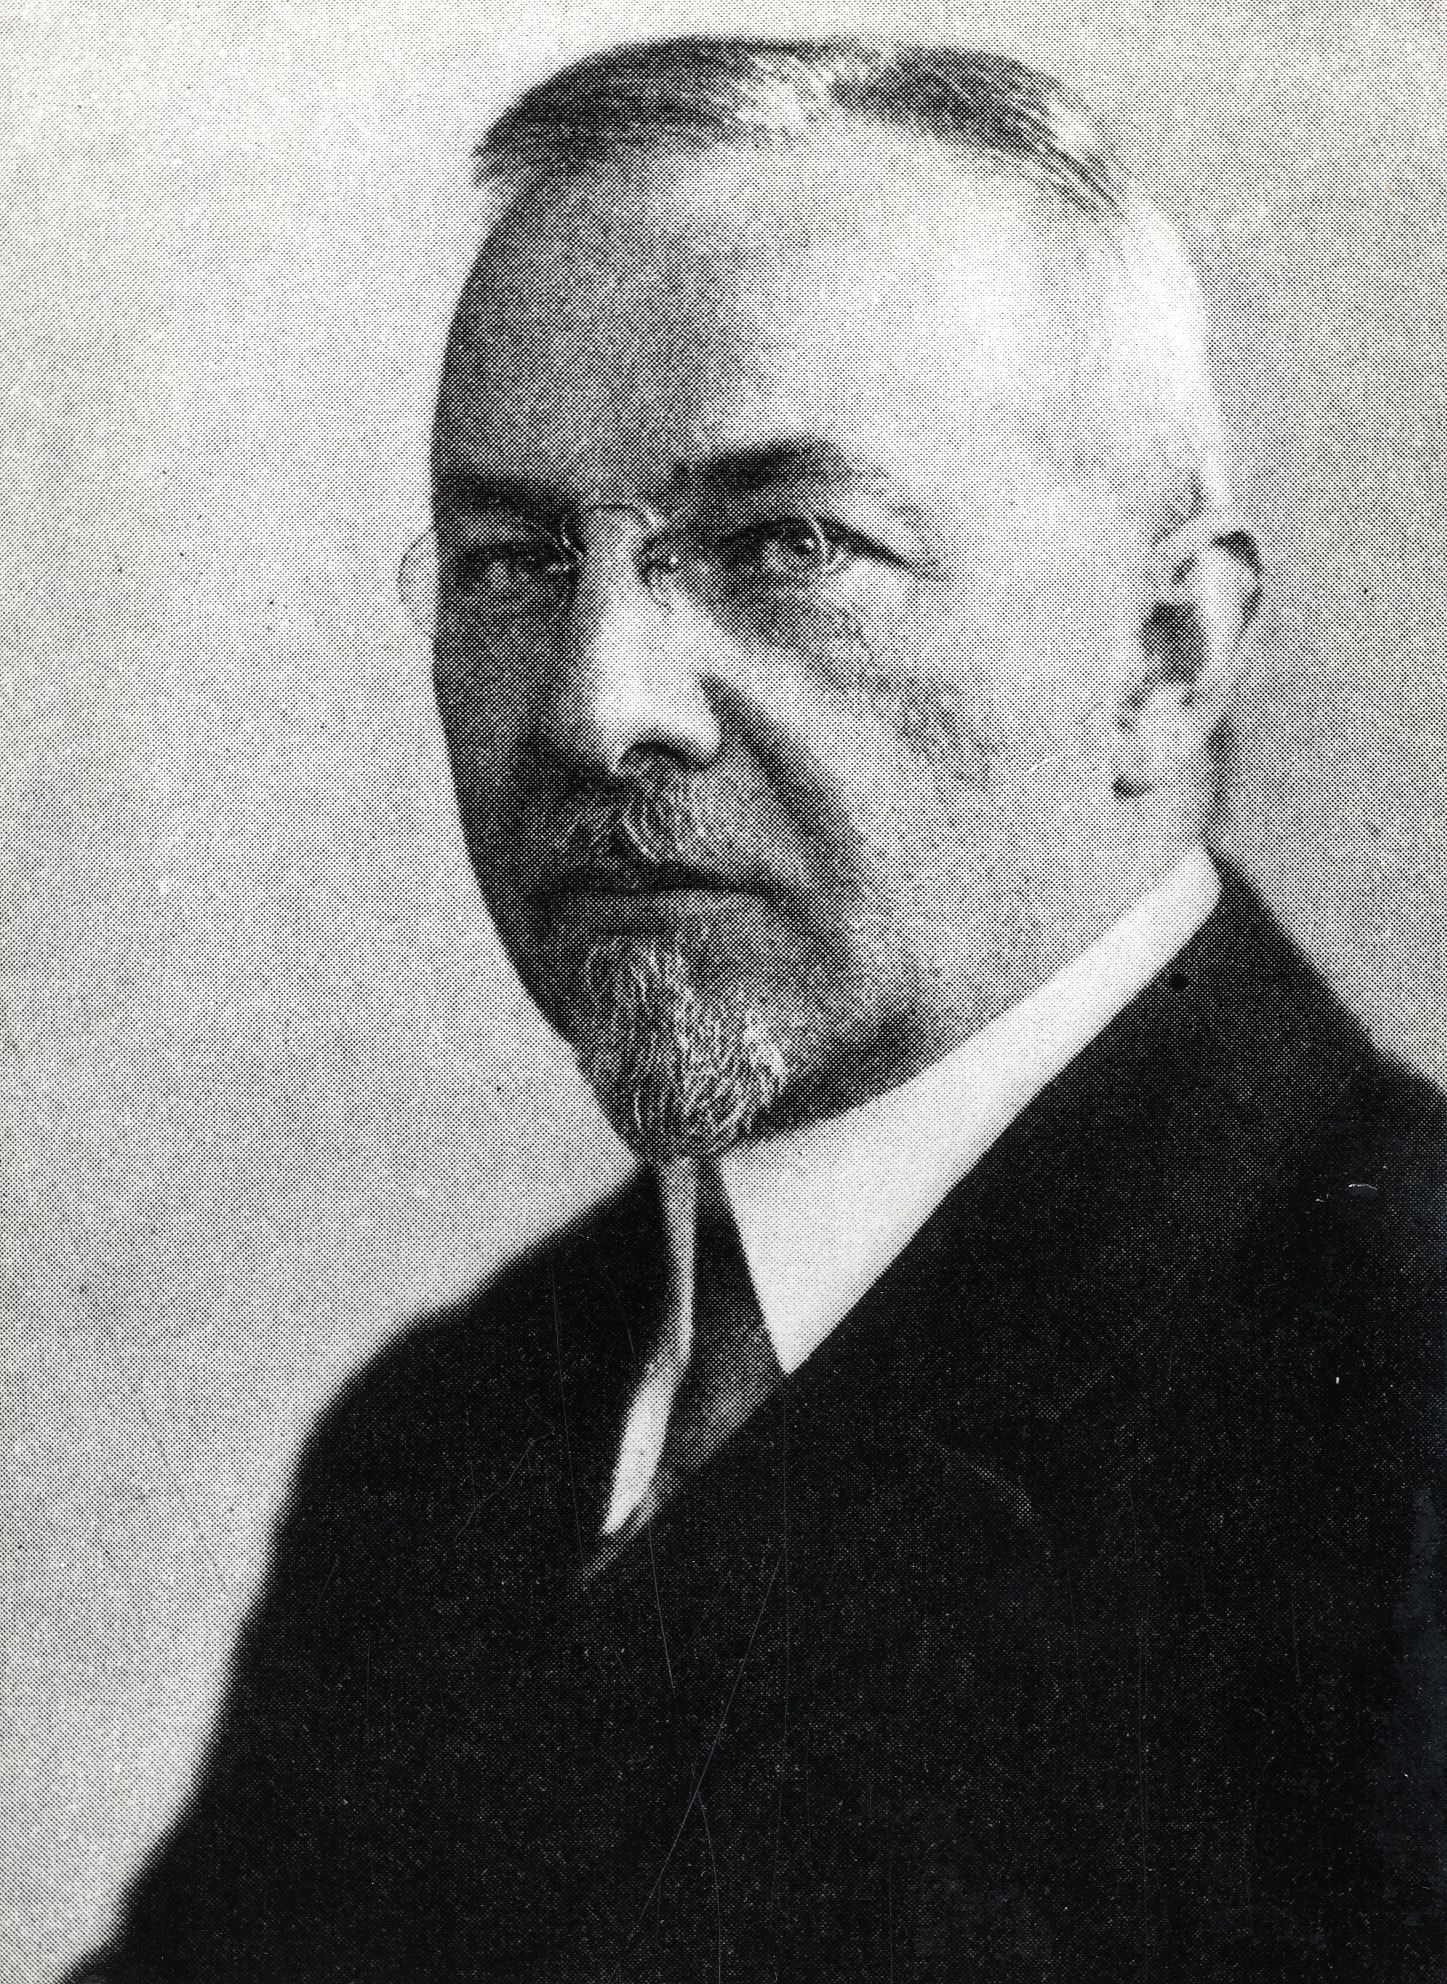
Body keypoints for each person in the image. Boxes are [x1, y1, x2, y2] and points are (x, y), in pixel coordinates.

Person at [76, 38, 1447, 1983]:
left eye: (789, 544)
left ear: (1163, 654)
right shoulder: (446, 1439)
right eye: (511, 560)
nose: (597, 704)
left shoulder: (1399, 1427)